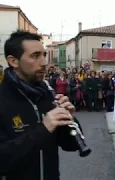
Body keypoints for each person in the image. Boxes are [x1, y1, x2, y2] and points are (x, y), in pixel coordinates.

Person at [0, 30, 80, 180]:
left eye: (44, 55)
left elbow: (70, 146)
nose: (44, 63)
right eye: (35, 56)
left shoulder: (45, 93)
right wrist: (43, 129)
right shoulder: (3, 98)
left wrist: (70, 119)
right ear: (13, 61)